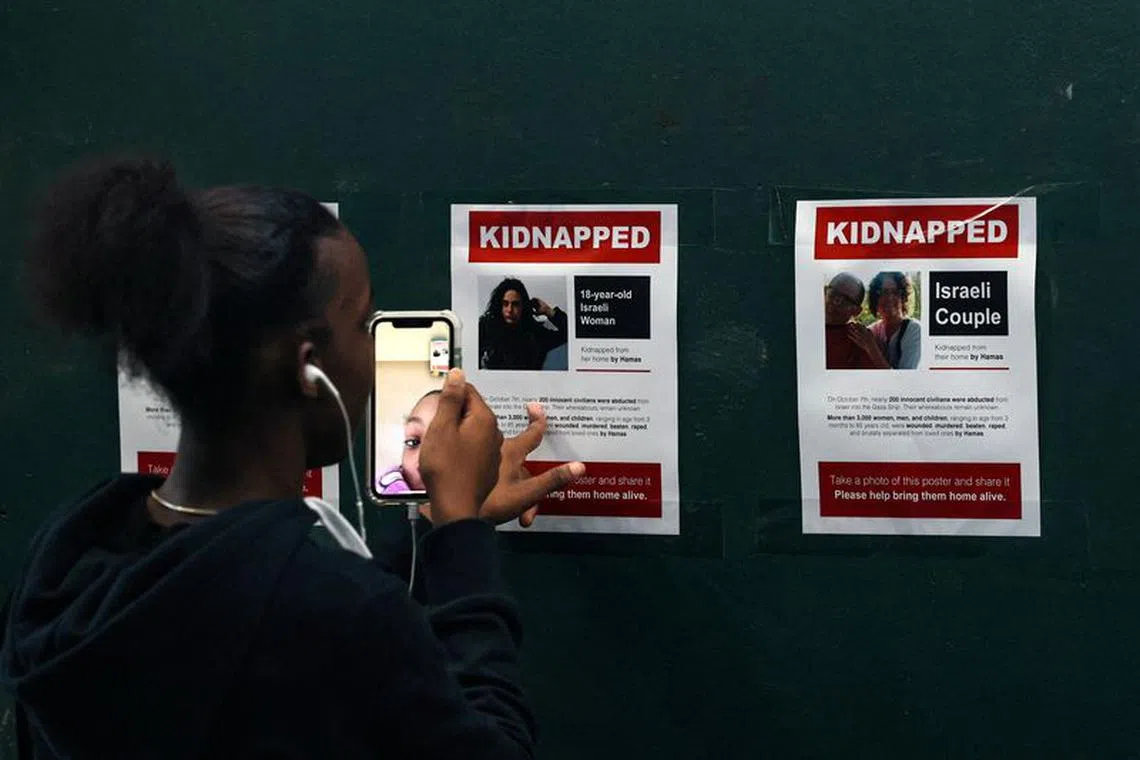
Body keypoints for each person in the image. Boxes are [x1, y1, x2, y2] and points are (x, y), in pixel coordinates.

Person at [0, 156, 585, 759]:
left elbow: (261, 589)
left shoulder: (71, 559)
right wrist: (462, 537)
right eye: (363, 323)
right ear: (309, 369)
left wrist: (440, 521)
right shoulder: (336, 614)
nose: (370, 350)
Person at [478, 277, 568, 370]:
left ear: (523, 306)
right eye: (505, 304)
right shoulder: (485, 328)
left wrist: (549, 311)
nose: (509, 310)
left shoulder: (535, 334)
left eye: (515, 304)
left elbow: (570, 333)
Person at [824, 272, 889, 370]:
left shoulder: (859, 339)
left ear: (857, 311)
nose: (836, 302)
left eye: (846, 300)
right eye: (833, 293)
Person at [868, 271, 922, 369]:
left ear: (903, 298)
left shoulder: (914, 330)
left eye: (895, 292)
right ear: (875, 299)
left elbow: (904, 377)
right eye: (883, 292)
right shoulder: (874, 331)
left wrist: (872, 349)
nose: (889, 298)